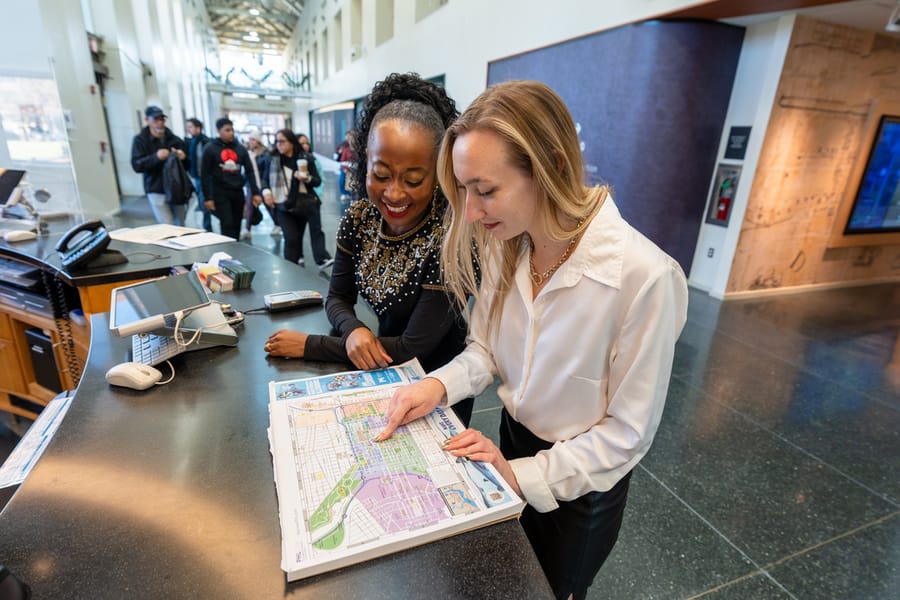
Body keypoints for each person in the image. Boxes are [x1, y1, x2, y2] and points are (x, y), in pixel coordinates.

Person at [376, 80, 689, 600]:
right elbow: (485, 352)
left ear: (551, 167)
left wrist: (520, 475)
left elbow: (626, 436)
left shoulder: (645, 277)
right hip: (511, 445)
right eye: (464, 190)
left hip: (582, 484)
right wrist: (435, 387)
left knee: (553, 588)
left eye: (486, 189)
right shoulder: (507, 242)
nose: (471, 212)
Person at [264, 73, 474, 427]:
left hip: (437, 382)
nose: (393, 194)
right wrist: (354, 330)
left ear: (439, 173)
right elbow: (337, 298)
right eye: (380, 174)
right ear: (365, 163)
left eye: (412, 180)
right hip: (380, 367)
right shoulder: (360, 218)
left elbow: (413, 347)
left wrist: (311, 345)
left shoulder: (451, 238)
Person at [260, 128, 332, 267]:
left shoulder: (305, 159)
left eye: (282, 141)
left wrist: (306, 178)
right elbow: (265, 180)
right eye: (276, 142)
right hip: (283, 205)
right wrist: (266, 192)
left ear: (291, 142)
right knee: (291, 238)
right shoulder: (273, 160)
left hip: (303, 204)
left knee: (299, 237)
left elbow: (317, 181)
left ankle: (304, 261)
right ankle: (290, 270)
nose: (278, 145)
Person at [201, 117, 261, 240]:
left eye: (232, 130)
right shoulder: (210, 148)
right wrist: (208, 197)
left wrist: (255, 192)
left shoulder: (239, 148)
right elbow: (204, 174)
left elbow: (249, 171)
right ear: (219, 131)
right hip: (220, 192)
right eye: (227, 130)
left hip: (237, 191)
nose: (231, 133)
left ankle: (235, 248)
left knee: (237, 223)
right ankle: (227, 251)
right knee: (227, 223)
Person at [131, 105, 188, 225]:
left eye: (162, 119)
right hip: (156, 188)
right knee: (167, 225)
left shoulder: (174, 139)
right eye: (156, 119)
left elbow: (188, 165)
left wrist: (183, 157)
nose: (160, 123)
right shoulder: (140, 140)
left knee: (181, 224)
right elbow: (136, 165)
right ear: (147, 120)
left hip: (177, 187)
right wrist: (155, 157)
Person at [241, 130, 273, 240]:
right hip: (251, 184)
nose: (251, 142)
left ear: (258, 141)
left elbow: (266, 170)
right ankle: (247, 229)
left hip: (262, 183)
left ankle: (278, 224)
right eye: (249, 139)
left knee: (268, 205)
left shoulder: (265, 153)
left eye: (253, 139)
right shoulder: (247, 152)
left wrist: (265, 184)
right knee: (250, 205)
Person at [185, 117, 212, 232]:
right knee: (201, 201)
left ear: (198, 128)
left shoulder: (205, 142)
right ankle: (206, 224)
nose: (189, 129)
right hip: (194, 176)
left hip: (204, 177)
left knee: (204, 200)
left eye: (191, 127)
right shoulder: (191, 142)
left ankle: (207, 226)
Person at [335, 129, 357, 215]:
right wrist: (345, 168)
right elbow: (342, 160)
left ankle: (354, 198)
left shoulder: (359, 149)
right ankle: (346, 194)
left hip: (356, 170)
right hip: (347, 169)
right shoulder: (345, 148)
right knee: (343, 178)